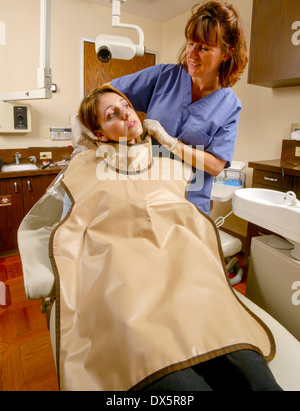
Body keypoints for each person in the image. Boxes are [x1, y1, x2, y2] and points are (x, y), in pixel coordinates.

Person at [34, 85, 281, 392]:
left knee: (245, 363)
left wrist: (170, 143)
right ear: (98, 134)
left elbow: (201, 184)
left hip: (182, 270)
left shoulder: (166, 161)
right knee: (163, 368)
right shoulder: (84, 169)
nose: (126, 112)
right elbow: (56, 224)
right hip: (128, 276)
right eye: (112, 114)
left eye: (125, 105)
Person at [109, 0, 248, 215]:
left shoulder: (229, 105)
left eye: (204, 48)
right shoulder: (163, 76)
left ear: (226, 54)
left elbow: (216, 165)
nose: (192, 54)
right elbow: (109, 92)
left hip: (189, 206)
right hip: (145, 196)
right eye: (191, 43)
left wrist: (173, 144)